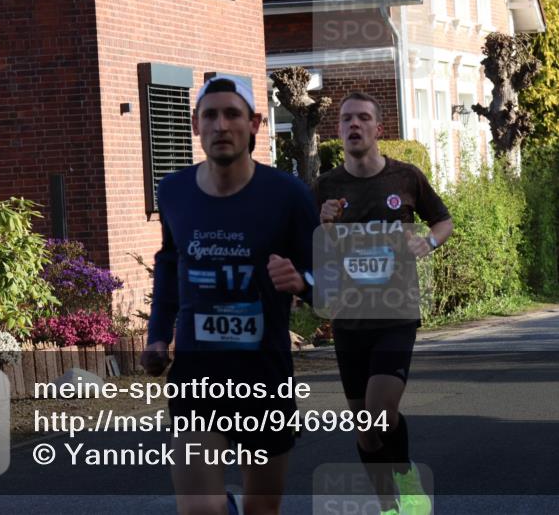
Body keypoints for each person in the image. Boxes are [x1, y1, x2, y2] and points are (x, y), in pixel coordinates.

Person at [140, 76, 319, 515]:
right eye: (210, 115)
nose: (221, 125)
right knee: (200, 509)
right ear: (195, 125)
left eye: (232, 114)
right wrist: (158, 335)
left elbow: (331, 280)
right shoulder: (174, 190)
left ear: (254, 123)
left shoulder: (288, 195)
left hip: (264, 376)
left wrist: (303, 283)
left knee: (262, 510)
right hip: (197, 376)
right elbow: (169, 263)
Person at [315, 92, 452, 515]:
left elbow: (442, 221)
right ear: (339, 129)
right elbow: (309, 248)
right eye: (346, 119)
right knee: (365, 429)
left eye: (362, 118)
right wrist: (322, 224)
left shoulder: (405, 178)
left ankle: (406, 475)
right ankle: (388, 505)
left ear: (378, 128)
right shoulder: (325, 187)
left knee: (379, 411)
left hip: (396, 313)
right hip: (349, 318)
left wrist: (428, 242)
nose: (353, 125)